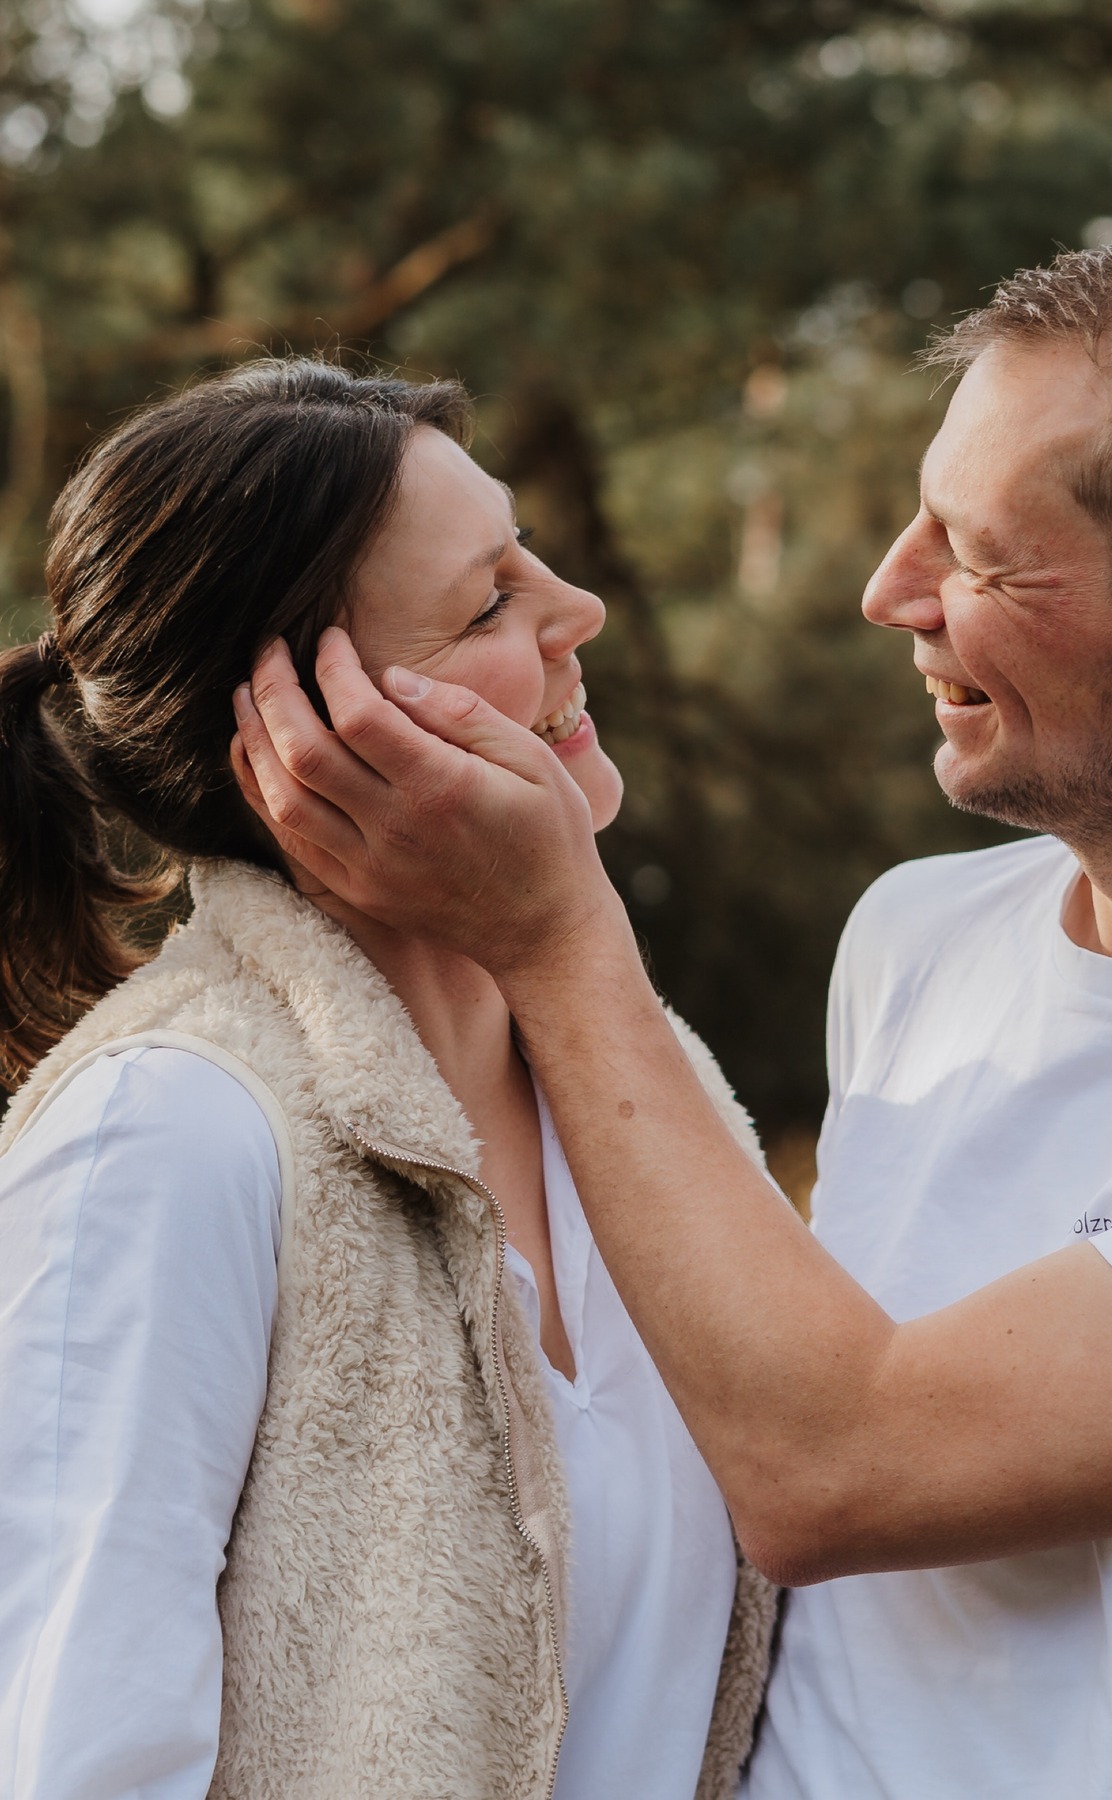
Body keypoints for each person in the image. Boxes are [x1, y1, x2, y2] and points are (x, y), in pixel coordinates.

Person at [235, 234, 1112, 1799]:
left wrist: (553, 935)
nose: (893, 591)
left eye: (976, 550)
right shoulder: (915, 940)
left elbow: (834, 1470)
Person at [0, 359, 775, 1800]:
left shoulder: (653, 1100)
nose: (576, 611)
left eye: (526, 555)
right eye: (488, 603)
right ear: (297, 726)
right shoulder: (167, 1135)